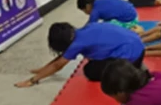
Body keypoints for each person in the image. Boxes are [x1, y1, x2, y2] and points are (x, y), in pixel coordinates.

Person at [15, 22, 145, 86]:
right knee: (94, 61)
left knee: (90, 70)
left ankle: (133, 74)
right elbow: (60, 59)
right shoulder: (87, 28)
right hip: (139, 47)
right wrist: (42, 69)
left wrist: (32, 80)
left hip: (131, 59)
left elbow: (58, 65)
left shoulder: (76, 44)